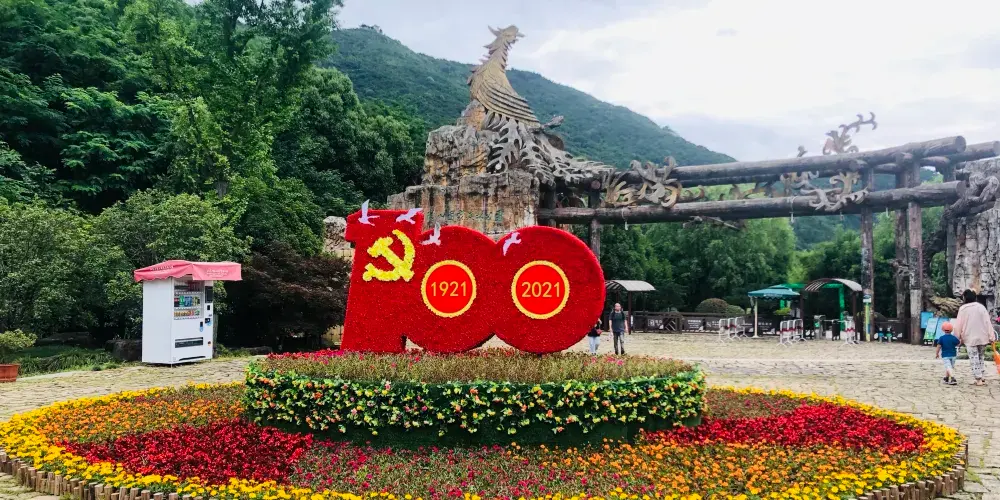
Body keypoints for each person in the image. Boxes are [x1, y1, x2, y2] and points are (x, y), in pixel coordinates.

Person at [953, 289, 997, 386]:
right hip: (983, 337)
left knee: (974, 358)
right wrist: (992, 337)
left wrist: (957, 337)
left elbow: (958, 325)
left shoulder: (963, 309)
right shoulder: (981, 307)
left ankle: (978, 379)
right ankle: (982, 376)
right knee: (981, 357)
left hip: (970, 337)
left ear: (965, 298)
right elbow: (987, 322)